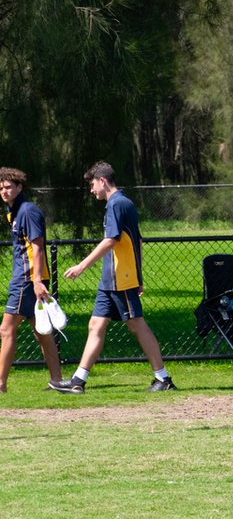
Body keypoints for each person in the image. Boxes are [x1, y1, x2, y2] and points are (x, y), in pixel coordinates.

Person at [51, 161, 175, 394]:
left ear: (103, 181)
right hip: (111, 279)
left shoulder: (117, 204)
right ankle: (78, 381)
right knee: (95, 324)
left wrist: (82, 266)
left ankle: (163, 379)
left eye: (92, 185)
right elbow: (137, 240)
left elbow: (112, 240)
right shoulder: (121, 203)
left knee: (137, 325)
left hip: (121, 278)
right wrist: (140, 275)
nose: (91, 190)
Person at [0, 167, 64, 392]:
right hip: (27, 278)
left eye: (8, 187)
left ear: (19, 187)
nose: (4, 191)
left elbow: (37, 247)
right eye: (1, 188)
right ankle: (57, 381)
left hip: (27, 279)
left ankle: (1, 385)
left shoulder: (27, 211)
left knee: (6, 329)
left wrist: (37, 281)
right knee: (42, 332)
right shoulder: (14, 212)